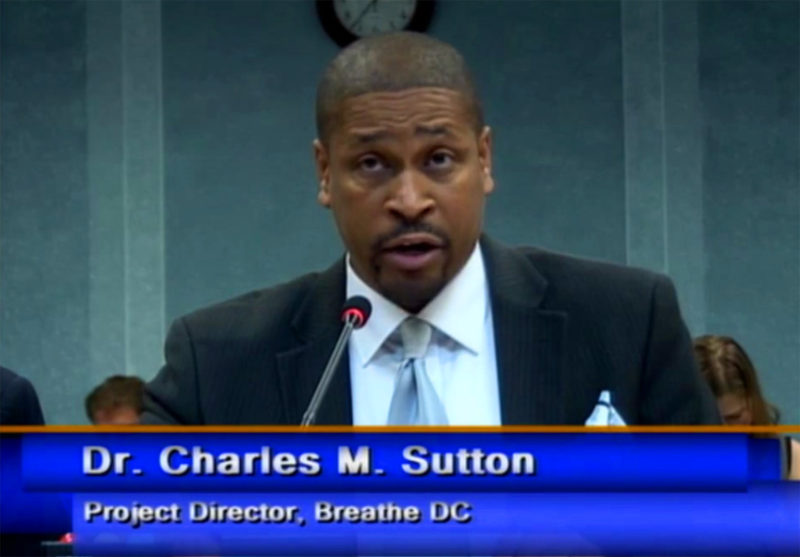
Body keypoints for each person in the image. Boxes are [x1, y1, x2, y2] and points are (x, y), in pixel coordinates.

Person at [142, 32, 719, 426]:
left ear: (485, 160)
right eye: (372, 165)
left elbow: (718, 527)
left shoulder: (625, 321)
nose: (410, 200)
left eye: (439, 159)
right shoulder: (218, 361)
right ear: (324, 173)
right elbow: (125, 523)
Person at [693, 335, 800, 480]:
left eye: (734, 418)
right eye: (710, 419)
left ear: (752, 406)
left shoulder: (790, 462)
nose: (723, 431)